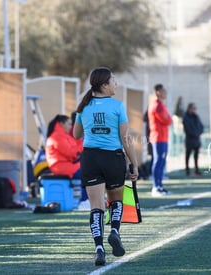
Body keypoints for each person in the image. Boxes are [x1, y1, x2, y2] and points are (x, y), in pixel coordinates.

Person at [73, 67, 138, 266]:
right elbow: (125, 138)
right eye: (113, 80)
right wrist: (134, 163)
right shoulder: (118, 106)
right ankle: (115, 231)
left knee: (96, 207)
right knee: (115, 200)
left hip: (91, 158)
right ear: (104, 85)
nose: (115, 84)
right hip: (113, 158)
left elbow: (76, 134)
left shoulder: (83, 106)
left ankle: (99, 248)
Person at [148, 83, 172, 197]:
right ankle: (155, 187)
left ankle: (160, 186)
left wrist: (169, 119)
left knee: (162, 162)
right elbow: (166, 120)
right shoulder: (156, 105)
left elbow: (169, 119)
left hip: (163, 137)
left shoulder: (161, 104)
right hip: (158, 137)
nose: (165, 93)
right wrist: (168, 119)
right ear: (158, 92)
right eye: (163, 91)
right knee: (157, 161)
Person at [45, 114, 82, 186]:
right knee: (88, 174)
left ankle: (85, 196)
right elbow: (70, 152)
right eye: (69, 124)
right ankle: (85, 197)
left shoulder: (63, 136)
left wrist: (80, 142)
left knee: (90, 171)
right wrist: (82, 145)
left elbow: (75, 148)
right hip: (61, 166)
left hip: (66, 165)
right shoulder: (57, 137)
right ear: (62, 124)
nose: (71, 127)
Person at [182, 103, 204, 176]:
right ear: (189, 108)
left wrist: (198, 133)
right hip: (189, 140)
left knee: (196, 156)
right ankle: (187, 170)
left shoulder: (196, 116)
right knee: (188, 155)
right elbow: (187, 128)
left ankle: (196, 170)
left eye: (195, 108)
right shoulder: (186, 117)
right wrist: (194, 134)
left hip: (196, 140)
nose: (194, 110)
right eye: (193, 108)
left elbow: (201, 126)